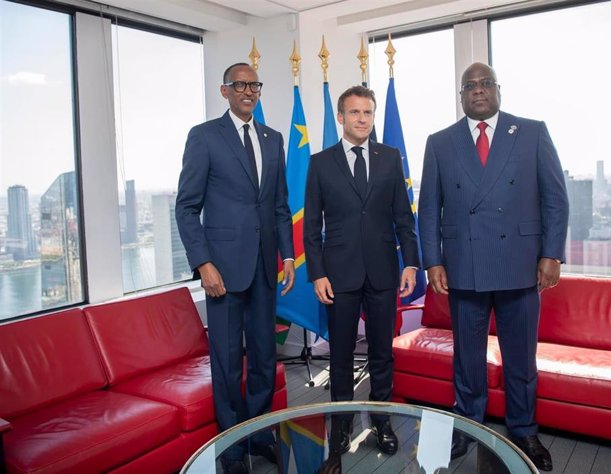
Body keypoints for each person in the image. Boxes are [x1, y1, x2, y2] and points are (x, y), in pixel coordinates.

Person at [418, 62, 569, 472]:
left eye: (486, 84)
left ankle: (523, 429)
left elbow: (555, 199)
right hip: (464, 267)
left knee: (520, 357)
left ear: (498, 90)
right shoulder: (440, 142)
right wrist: (432, 260)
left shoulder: (532, 132)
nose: (478, 91)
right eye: (470, 86)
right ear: (461, 95)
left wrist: (552, 253)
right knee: (467, 359)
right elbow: (429, 208)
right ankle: (468, 426)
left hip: (521, 267)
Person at [175, 62, 295, 474]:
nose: (249, 91)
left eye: (254, 85)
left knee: (264, 357)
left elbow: (279, 206)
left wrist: (289, 256)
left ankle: (260, 435)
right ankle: (230, 447)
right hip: (221, 273)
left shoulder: (273, 138)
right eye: (240, 85)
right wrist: (203, 262)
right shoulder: (205, 136)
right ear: (224, 91)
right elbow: (186, 208)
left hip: (264, 268)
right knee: (227, 361)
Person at [303, 86, 420, 456]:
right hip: (338, 275)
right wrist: (317, 273)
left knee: (382, 352)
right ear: (341, 117)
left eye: (368, 113)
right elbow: (310, 228)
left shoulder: (390, 157)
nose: (362, 119)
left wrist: (412, 263)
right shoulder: (321, 162)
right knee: (339, 354)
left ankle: (381, 420)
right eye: (355, 113)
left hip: (384, 271)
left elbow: (404, 217)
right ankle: (341, 423)